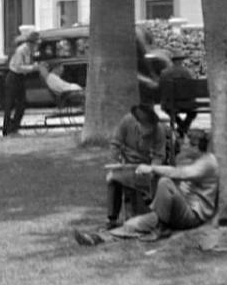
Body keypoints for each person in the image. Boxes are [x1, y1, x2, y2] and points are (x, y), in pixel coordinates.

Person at [74, 129, 218, 246]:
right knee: (133, 224)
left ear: (196, 145)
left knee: (165, 182)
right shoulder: (194, 159)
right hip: (177, 210)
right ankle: (96, 238)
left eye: (186, 143)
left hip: (193, 215)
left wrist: (152, 168)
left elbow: (179, 173)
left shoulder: (207, 163)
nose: (183, 146)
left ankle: (161, 228)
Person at [105, 104, 167, 229]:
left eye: (150, 127)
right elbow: (115, 144)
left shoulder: (159, 130)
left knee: (143, 182)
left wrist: (152, 168)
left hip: (145, 166)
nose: (148, 130)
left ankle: (138, 216)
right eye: (146, 127)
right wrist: (114, 163)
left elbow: (159, 156)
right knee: (113, 179)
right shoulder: (127, 121)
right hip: (126, 164)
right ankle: (112, 218)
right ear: (137, 123)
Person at [2, 31, 40, 136]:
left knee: (22, 104)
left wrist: (34, 65)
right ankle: (7, 130)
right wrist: (33, 68)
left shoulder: (29, 51)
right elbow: (18, 67)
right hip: (13, 77)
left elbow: (27, 63)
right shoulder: (21, 50)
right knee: (9, 105)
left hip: (21, 78)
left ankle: (14, 127)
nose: (36, 46)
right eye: (36, 44)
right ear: (31, 43)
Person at [159, 49, 198, 137]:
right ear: (181, 60)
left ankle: (181, 128)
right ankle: (182, 129)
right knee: (193, 112)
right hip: (187, 104)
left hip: (169, 104)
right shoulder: (187, 72)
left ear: (172, 61)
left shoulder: (164, 73)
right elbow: (192, 89)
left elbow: (161, 89)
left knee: (170, 110)